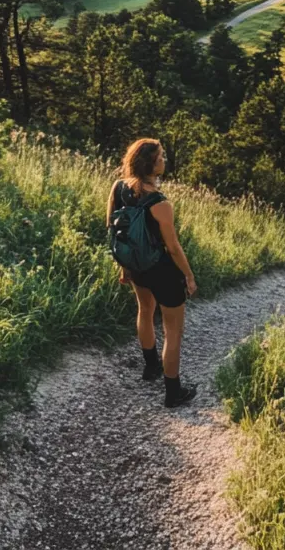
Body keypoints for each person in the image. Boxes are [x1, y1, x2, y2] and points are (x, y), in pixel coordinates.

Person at [107, 138, 198, 408]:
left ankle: (151, 367)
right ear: (150, 163)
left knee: (144, 311)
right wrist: (189, 276)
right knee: (173, 331)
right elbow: (172, 247)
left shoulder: (119, 188)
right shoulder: (160, 202)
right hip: (162, 270)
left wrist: (125, 266)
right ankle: (173, 392)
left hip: (136, 267)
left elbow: (114, 230)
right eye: (161, 157)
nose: (164, 161)